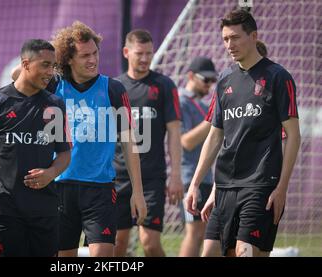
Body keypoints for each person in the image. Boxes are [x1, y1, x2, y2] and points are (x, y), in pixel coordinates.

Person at [11, 21, 147, 257]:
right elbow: (17, 75)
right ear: (68, 59)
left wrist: (138, 192)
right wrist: (52, 59)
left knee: (103, 256)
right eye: (84, 55)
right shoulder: (54, 85)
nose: (92, 59)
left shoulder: (114, 89)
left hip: (101, 189)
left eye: (95, 53)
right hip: (60, 187)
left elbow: (129, 143)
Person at [185, 9, 300, 257]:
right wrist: (196, 184)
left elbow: (293, 135)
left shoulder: (278, 77)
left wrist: (282, 188)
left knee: (244, 252)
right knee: (210, 253)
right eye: (225, 39)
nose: (229, 44)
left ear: (254, 36)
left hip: (261, 185)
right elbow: (216, 136)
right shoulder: (225, 80)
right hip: (225, 186)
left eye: (235, 37)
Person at [0, 39, 71, 257]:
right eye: (44, 65)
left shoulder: (55, 104)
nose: (50, 72)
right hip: (6, 212)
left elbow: (64, 153)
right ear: (25, 64)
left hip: (46, 211)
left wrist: (51, 173)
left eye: (52, 66)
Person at [112, 29, 183, 257]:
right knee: (118, 245)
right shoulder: (114, 87)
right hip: (117, 176)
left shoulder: (164, 85)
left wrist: (175, 175)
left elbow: (174, 132)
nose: (144, 59)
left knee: (150, 243)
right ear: (126, 52)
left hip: (151, 177)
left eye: (149, 53)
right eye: (139, 53)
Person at [177, 57, 217, 257]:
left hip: (205, 177)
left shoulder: (200, 103)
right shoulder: (181, 101)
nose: (210, 85)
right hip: (190, 178)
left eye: (213, 80)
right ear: (191, 76)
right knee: (194, 233)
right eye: (206, 79)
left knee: (205, 233)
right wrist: (215, 119)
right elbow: (186, 141)